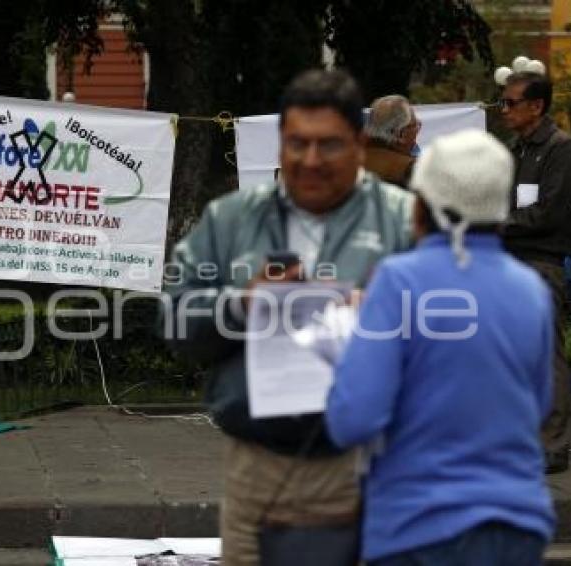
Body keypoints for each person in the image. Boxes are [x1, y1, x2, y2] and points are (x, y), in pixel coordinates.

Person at [163, 69, 413, 566]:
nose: (311, 160)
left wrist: (387, 320)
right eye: (297, 143)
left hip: (367, 473)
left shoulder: (403, 220)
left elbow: (451, 337)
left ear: (359, 145)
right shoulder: (231, 220)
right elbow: (173, 323)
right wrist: (238, 304)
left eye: (329, 145)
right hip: (257, 470)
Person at [325, 129, 555, 566]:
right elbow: (538, 405)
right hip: (518, 524)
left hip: (418, 526)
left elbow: (353, 418)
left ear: (419, 206)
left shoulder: (398, 281)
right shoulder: (530, 290)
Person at [500, 70, 571, 473]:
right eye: (504, 101)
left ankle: (554, 443)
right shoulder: (516, 149)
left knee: (546, 352)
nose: (504, 109)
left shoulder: (560, 149)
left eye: (511, 102)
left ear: (537, 106)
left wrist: (496, 224)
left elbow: (550, 212)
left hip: (542, 261)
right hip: (509, 260)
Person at [363, 95, 419, 188]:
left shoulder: (350, 159)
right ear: (400, 134)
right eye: (415, 126)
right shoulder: (409, 168)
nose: (417, 131)